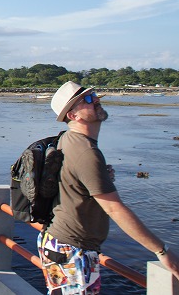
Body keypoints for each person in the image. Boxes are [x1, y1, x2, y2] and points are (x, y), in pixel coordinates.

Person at [39, 81, 179, 293]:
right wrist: (162, 251)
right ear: (72, 115)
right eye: (86, 99)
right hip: (73, 250)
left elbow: (72, 181)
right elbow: (115, 209)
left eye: (94, 95)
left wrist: (101, 175)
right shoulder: (86, 151)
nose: (95, 100)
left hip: (58, 242)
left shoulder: (69, 140)